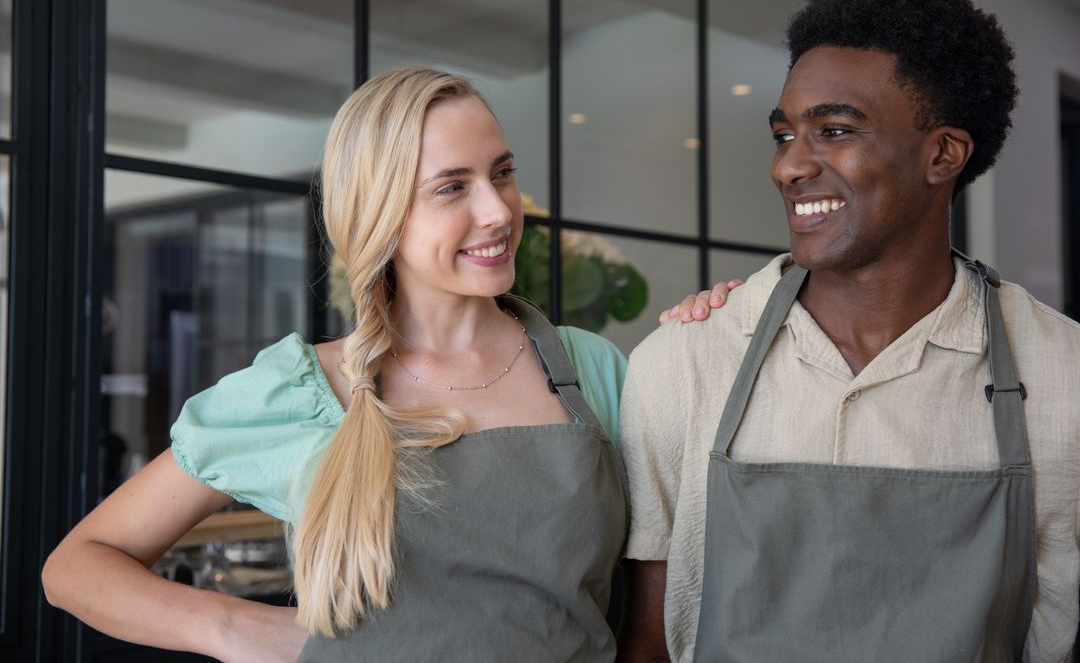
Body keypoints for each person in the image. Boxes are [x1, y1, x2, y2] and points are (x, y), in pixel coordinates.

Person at [41, 67, 736, 661]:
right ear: (378, 214)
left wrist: (723, 336)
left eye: (502, 173)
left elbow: (687, 568)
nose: (498, 211)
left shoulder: (592, 369)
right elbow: (76, 565)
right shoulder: (302, 392)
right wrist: (236, 626)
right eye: (451, 188)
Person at [617, 0, 1080, 662]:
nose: (789, 167)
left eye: (834, 130)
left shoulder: (1064, 376)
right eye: (784, 134)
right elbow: (649, 641)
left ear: (943, 154)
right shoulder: (683, 363)